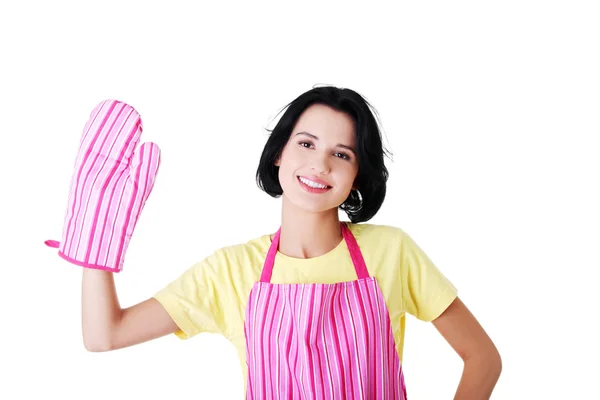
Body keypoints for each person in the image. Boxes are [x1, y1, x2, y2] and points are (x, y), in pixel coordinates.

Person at [47, 86, 502, 399]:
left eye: (341, 154)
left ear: (357, 175)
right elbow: (104, 335)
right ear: (280, 152)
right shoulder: (231, 271)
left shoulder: (392, 252)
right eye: (306, 143)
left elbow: (482, 357)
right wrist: (97, 243)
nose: (320, 164)